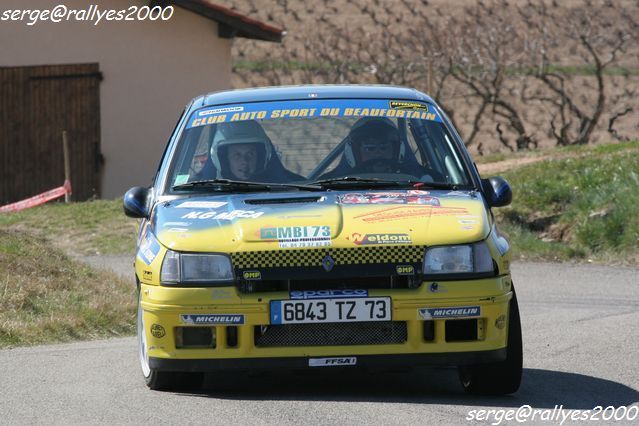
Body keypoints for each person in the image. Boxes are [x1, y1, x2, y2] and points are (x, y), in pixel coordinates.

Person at [210, 121, 303, 182]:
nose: (244, 161)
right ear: (224, 159)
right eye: (237, 155)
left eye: (250, 154)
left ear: (260, 157)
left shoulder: (293, 187)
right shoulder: (204, 191)